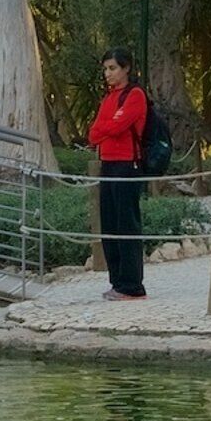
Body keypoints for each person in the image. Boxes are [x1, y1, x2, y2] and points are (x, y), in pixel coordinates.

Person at [89, 49, 152, 299]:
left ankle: (133, 285)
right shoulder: (108, 98)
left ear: (126, 69)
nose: (108, 74)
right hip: (108, 164)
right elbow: (93, 134)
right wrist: (105, 128)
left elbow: (117, 127)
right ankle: (117, 282)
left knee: (127, 224)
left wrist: (105, 128)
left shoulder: (134, 95)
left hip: (127, 165)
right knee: (110, 224)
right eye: (106, 69)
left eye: (113, 68)